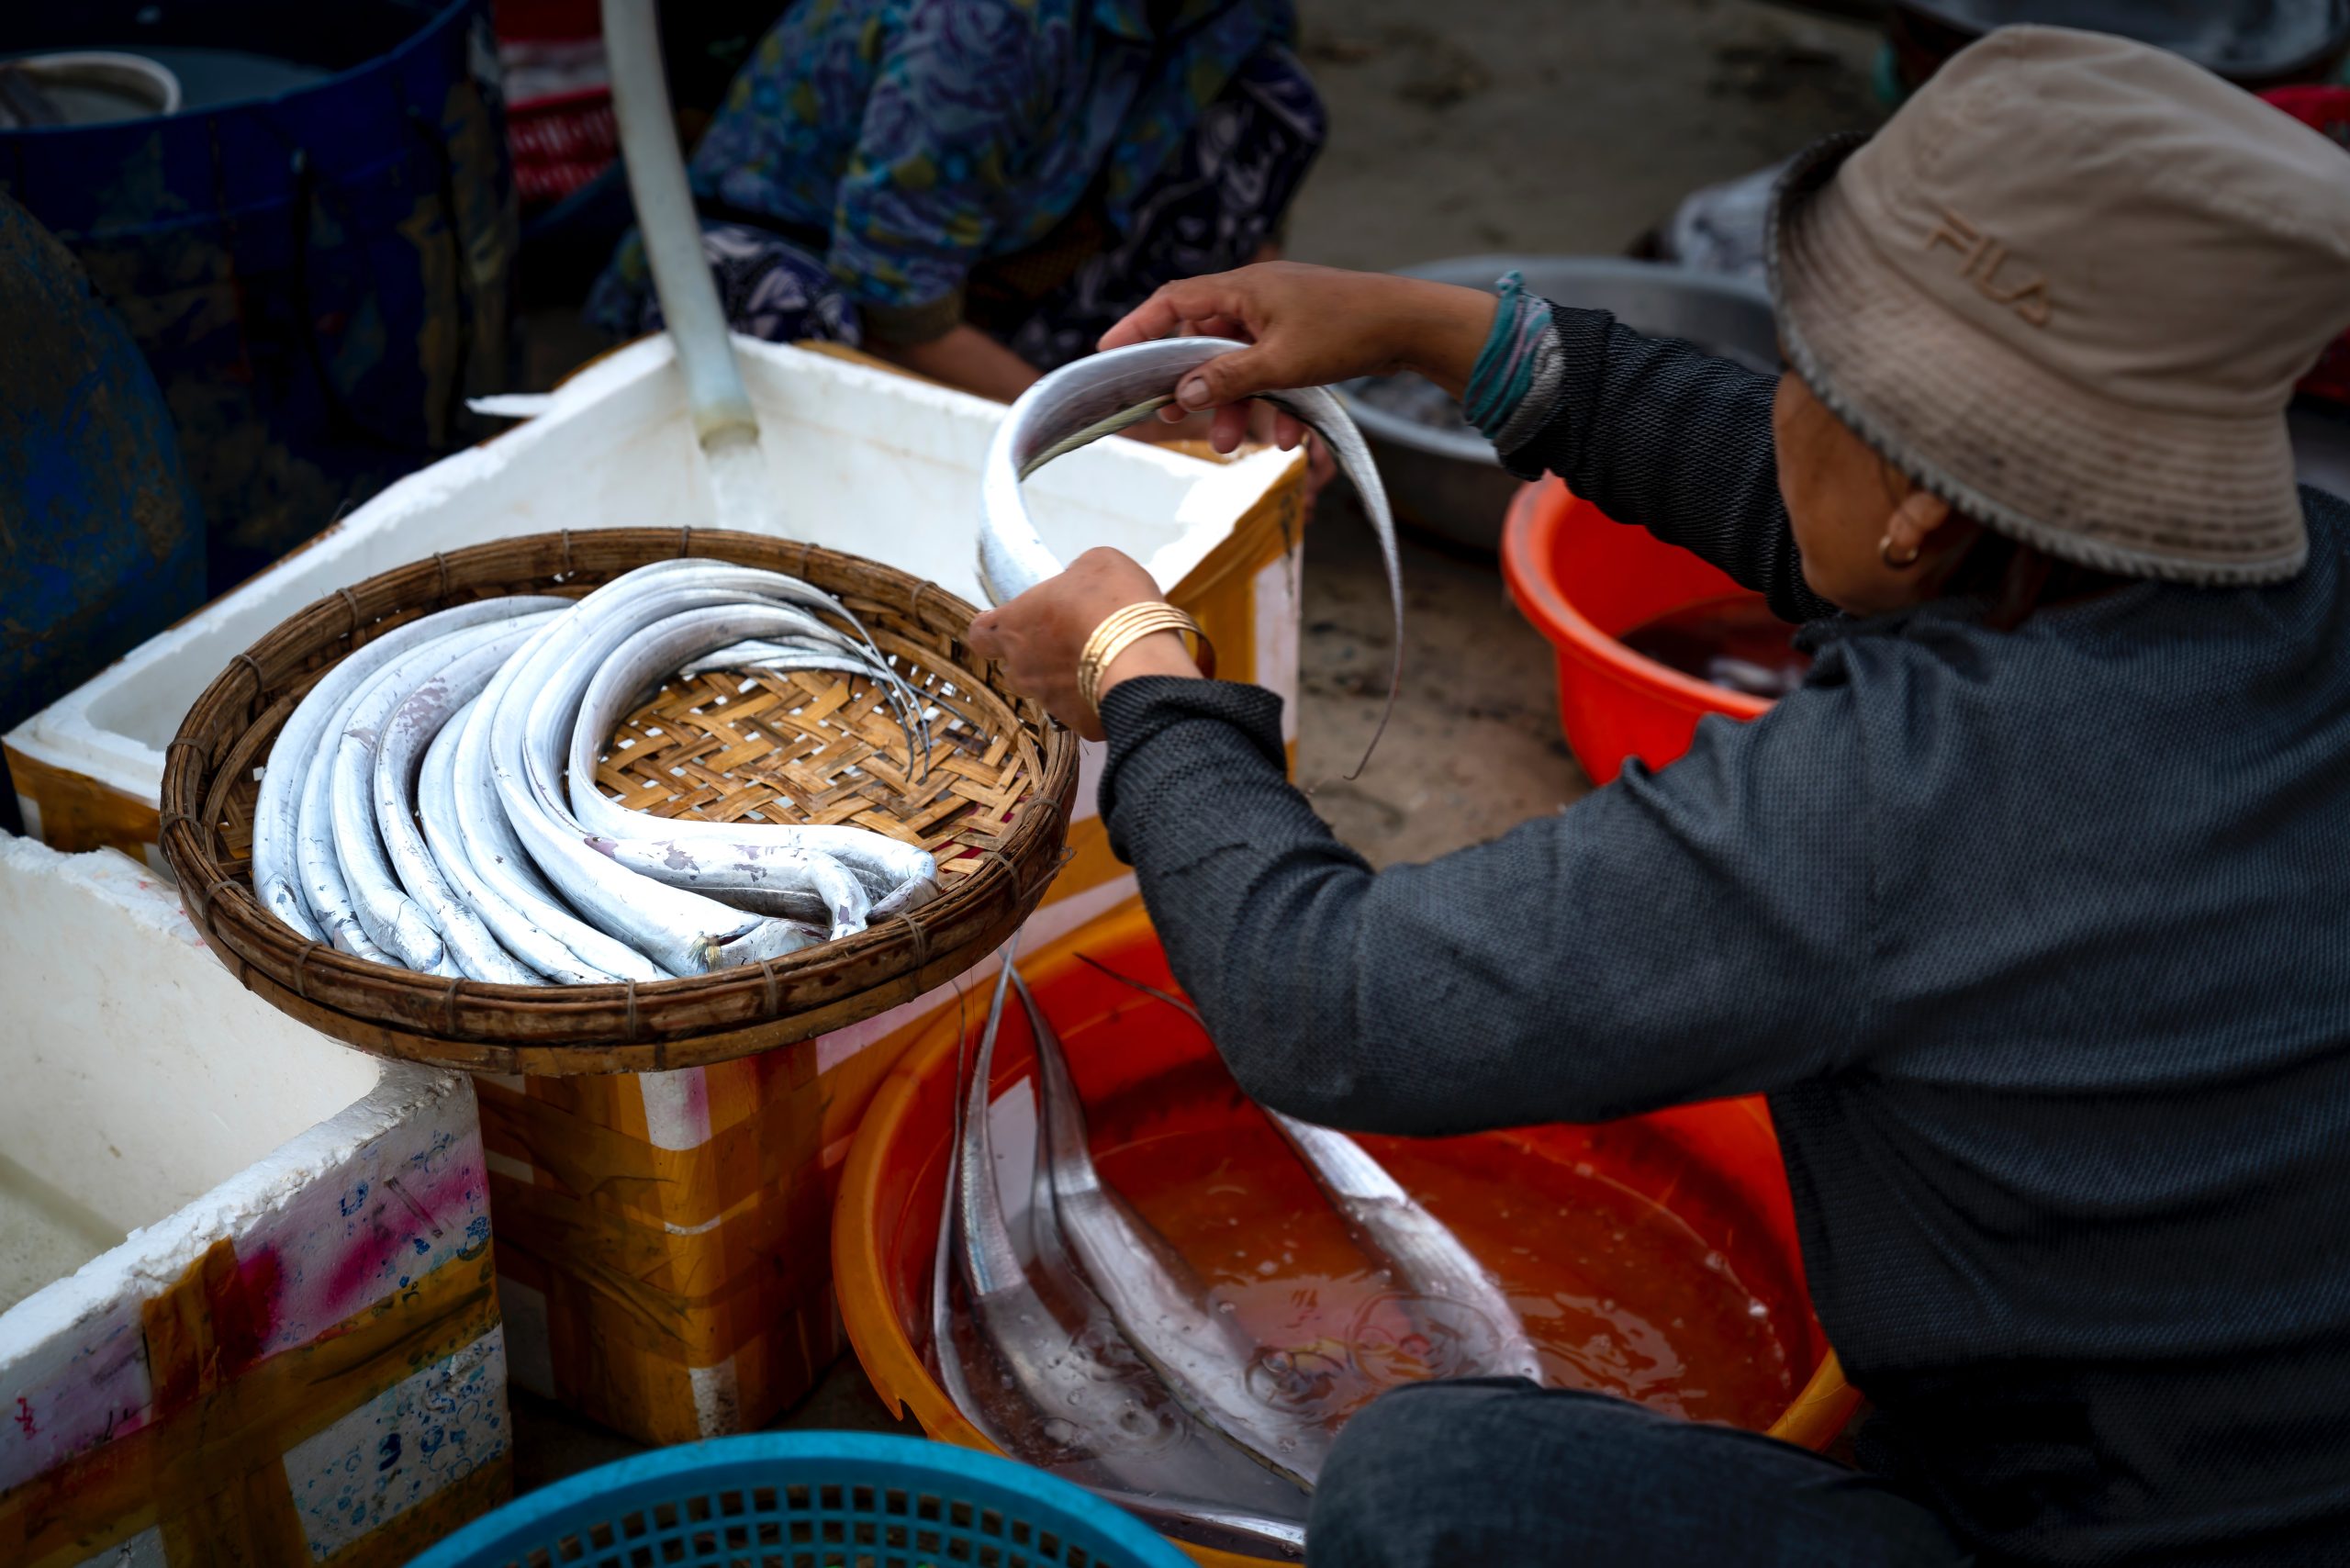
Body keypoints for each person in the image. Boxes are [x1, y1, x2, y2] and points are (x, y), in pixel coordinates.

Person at [966, 27, 2350, 1567]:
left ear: (1921, 502)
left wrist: (1142, 670)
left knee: (1428, 1495)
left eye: (1805, 371)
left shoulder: (1900, 799)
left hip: (2132, 1533)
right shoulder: (2293, 572)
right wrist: (1437, 330)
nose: (1778, 401)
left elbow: (1327, 1000)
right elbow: (1833, 518)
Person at [588, 0, 1323, 407]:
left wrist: (1256, 371)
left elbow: (1246, 189)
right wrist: (1105, 432)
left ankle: (1120, 391)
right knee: (772, 300)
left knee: (1270, 104)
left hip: (1015, 246)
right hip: (815, 272)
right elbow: (892, 295)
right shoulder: (989, 23)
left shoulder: (1231, 15)